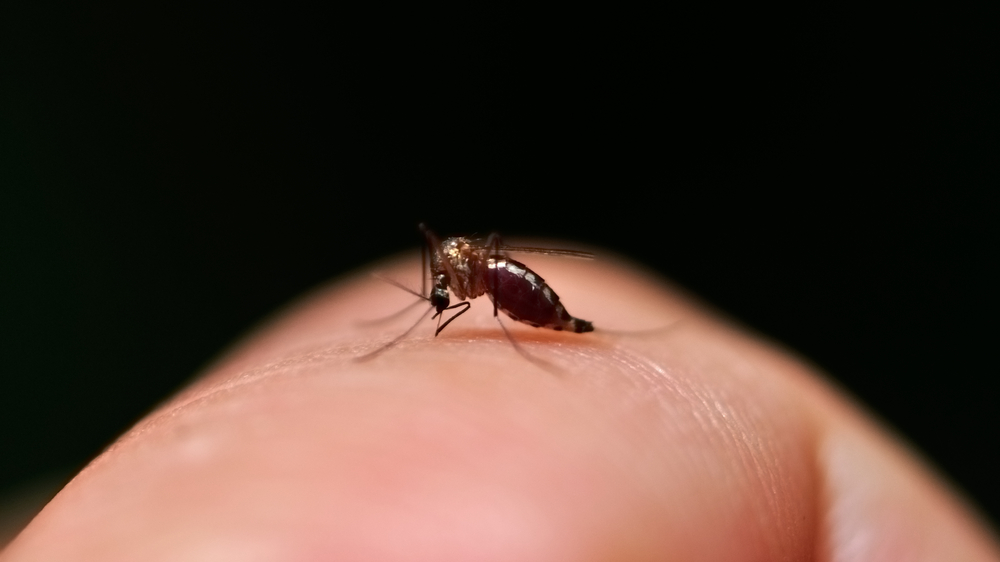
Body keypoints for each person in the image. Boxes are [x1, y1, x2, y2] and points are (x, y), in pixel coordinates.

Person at [3, 254, 998, 561]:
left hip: (530, 299)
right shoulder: (461, 281)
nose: (443, 296)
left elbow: (473, 285)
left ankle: (561, 326)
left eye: (444, 289)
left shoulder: (479, 285)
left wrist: (512, 310)